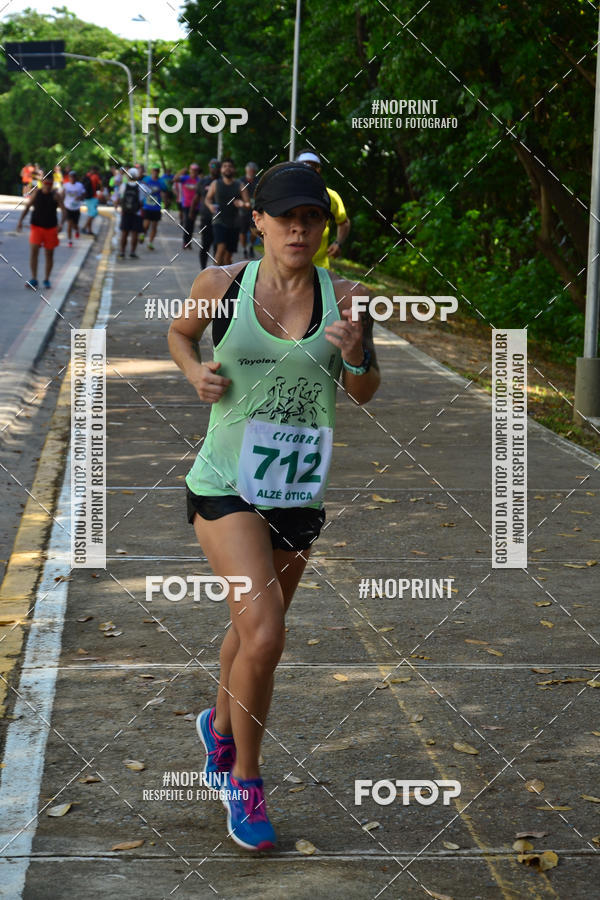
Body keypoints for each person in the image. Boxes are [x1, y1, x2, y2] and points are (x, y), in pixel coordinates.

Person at [168, 162, 380, 851]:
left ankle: (217, 726)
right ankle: (245, 778)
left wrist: (355, 356)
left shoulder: (348, 298)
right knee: (265, 636)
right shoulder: (219, 286)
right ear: (255, 218)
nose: (298, 228)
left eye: (311, 217)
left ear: (325, 227)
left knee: (249, 629)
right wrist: (193, 370)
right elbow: (179, 334)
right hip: (224, 483)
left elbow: (364, 393)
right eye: (285, 216)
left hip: (296, 493)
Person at [295, 150, 351, 268]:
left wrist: (338, 243)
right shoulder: (282, 193)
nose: (309, 169)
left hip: (319, 268)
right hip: (285, 267)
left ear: (319, 170)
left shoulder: (330, 197)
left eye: (314, 166)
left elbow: (344, 222)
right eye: (304, 165)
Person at [16, 173, 64, 289]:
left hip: (51, 228)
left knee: (49, 254)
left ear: (52, 184)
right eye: (46, 183)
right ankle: (34, 278)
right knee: (34, 252)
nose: (48, 186)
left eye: (50, 184)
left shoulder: (55, 195)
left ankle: (47, 279)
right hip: (36, 226)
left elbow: (64, 210)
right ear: (42, 183)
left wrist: (61, 224)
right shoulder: (36, 193)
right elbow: (27, 207)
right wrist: (20, 221)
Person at [204, 158, 250, 265]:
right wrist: (210, 205)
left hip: (234, 222)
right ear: (221, 169)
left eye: (230, 166)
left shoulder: (240, 185)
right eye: (225, 166)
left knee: (228, 257)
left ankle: (225, 278)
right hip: (219, 220)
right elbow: (207, 198)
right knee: (221, 248)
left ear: (234, 169)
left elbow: (248, 204)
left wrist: (242, 204)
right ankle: (214, 276)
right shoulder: (216, 184)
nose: (227, 168)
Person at [191, 158, 220, 269]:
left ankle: (216, 269)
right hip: (206, 217)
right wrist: (192, 213)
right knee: (205, 244)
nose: (215, 168)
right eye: (212, 166)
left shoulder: (222, 181)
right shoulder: (203, 181)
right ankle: (203, 269)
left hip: (220, 219)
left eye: (217, 166)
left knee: (218, 246)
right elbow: (196, 198)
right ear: (209, 167)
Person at [115, 167, 145, 259]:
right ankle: (132, 252)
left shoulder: (123, 186)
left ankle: (122, 252)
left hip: (125, 212)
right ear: (137, 176)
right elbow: (142, 200)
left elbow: (119, 198)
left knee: (124, 233)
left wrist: (117, 206)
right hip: (137, 213)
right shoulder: (141, 187)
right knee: (134, 233)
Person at [174, 163, 201, 248]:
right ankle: (185, 242)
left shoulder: (199, 180)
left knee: (191, 224)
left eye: (196, 170)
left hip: (196, 205)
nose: (194, 172)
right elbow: (175, 179)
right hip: (186, 204)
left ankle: (188, 242)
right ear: (190, 170)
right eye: (192, 170)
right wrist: (182, 171)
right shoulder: (185, 178)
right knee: (187, 223)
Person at [140, 167, 167, 250]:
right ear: (151, 171)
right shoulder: (146, 179)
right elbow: (141, 189)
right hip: (147, 206)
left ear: (158, 172)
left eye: (157, 171)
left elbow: (164, 192)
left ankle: (150, 243)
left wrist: (165, 203)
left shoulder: (161, 182)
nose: (155, 172)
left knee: (154, 226)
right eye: (154, 170)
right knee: (146, 225)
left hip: (156, 207)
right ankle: (143, 235)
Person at [238, 161, 258, 259]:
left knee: (255, 230)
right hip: (243, 210)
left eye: (253, 171)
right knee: (243, 231)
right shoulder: (241, 181)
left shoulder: (258, 181)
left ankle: (251, 246)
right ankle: (244, 248)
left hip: (255, 209)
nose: (251, 172)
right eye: (249, 170)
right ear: (246, 170)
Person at [62, 170, 86, 247]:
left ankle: (76, 230)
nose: (72, 178)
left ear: (76, 178)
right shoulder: (66, 185)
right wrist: (60, 204)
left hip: (76, 208)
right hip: (68, 207)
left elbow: (84, 194)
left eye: (74, 177)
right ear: (69, 178)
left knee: (74, 225)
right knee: (69, 224)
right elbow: (62, 195)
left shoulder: (80, 185)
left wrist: (80, 197)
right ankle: (70, 241)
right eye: (71, 177)